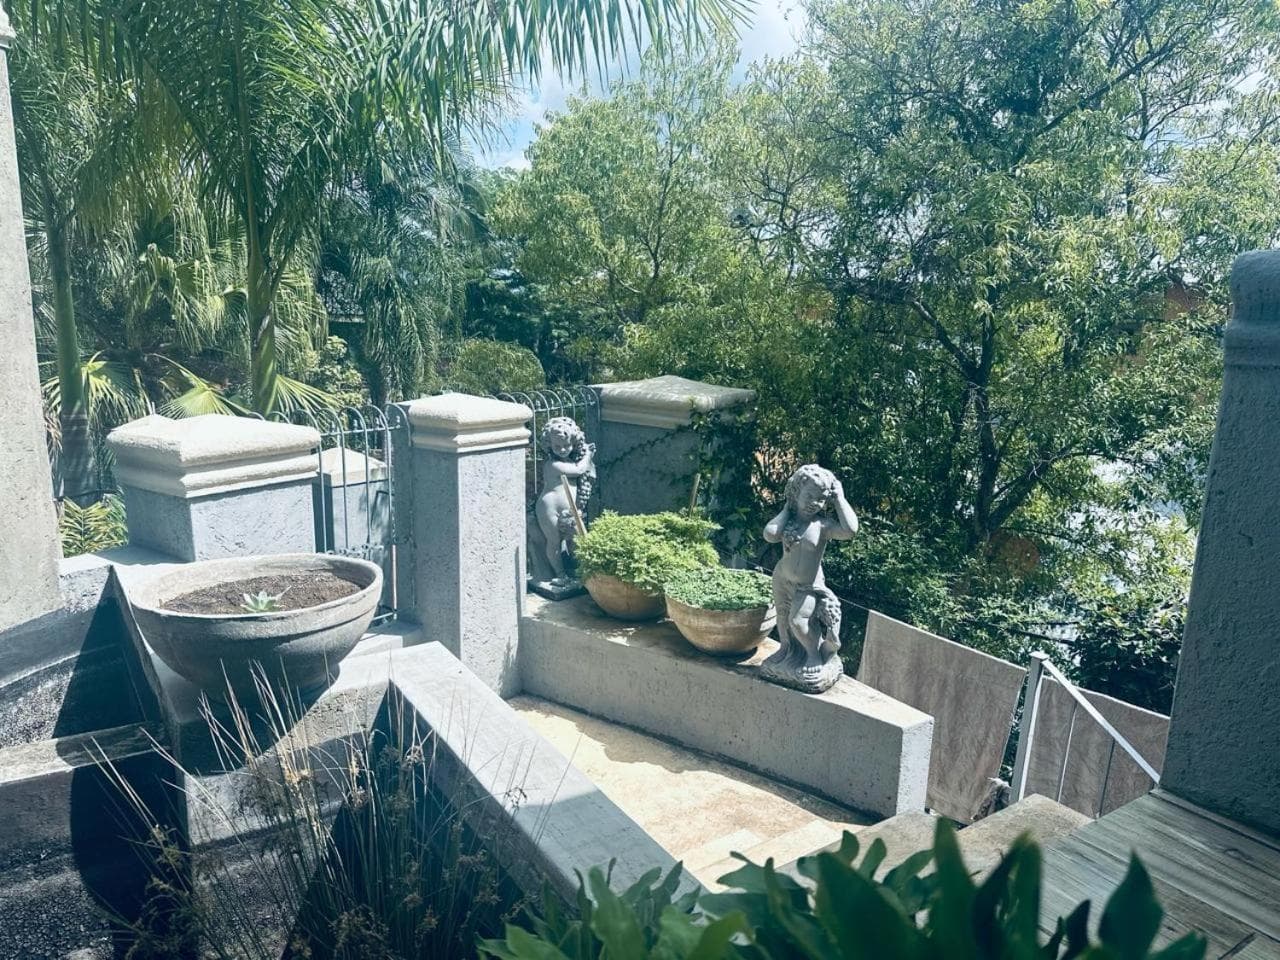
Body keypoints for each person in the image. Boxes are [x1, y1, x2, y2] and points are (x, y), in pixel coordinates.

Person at [760, 463, 858, 692]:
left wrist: (839, 499)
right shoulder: (789, 521)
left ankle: (813, 654)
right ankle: (786, 649)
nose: (815, 502)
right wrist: (787, 508)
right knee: (782, 618)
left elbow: (850, 530)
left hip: (808, 585)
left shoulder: (822, 526)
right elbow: (770, 534)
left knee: (799, 621)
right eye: (810, 496)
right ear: (796, 493)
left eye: (821, 499)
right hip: (782, 578)